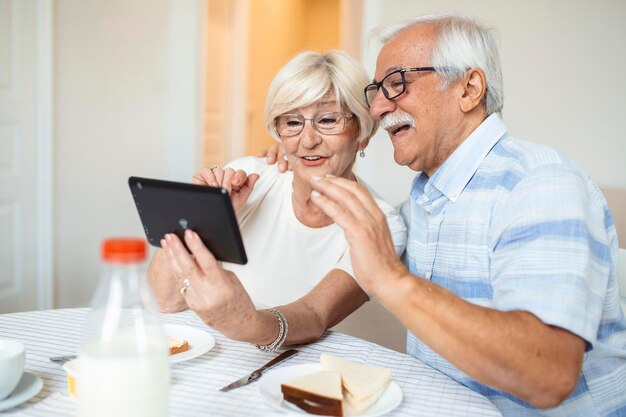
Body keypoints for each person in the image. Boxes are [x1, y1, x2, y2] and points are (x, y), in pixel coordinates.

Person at [264, 12, 626, 417]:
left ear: (469, 89)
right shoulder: (420, 203)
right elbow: (316, 307)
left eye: (397, 83)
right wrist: (298, 161)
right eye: (377, 89)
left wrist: (392, 278)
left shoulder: (540, 184)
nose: (380, 107)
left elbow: (548, 374)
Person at [147, 50, 406, 352]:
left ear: (362, 132)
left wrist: (246, 323)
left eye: (327, 119)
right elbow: (165, 300)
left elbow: (314, 314)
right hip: (212, 356)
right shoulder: (250, 177)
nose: (307, 141)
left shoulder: (382, 224)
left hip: (300, 370)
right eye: (292, 123)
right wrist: (203, 219)